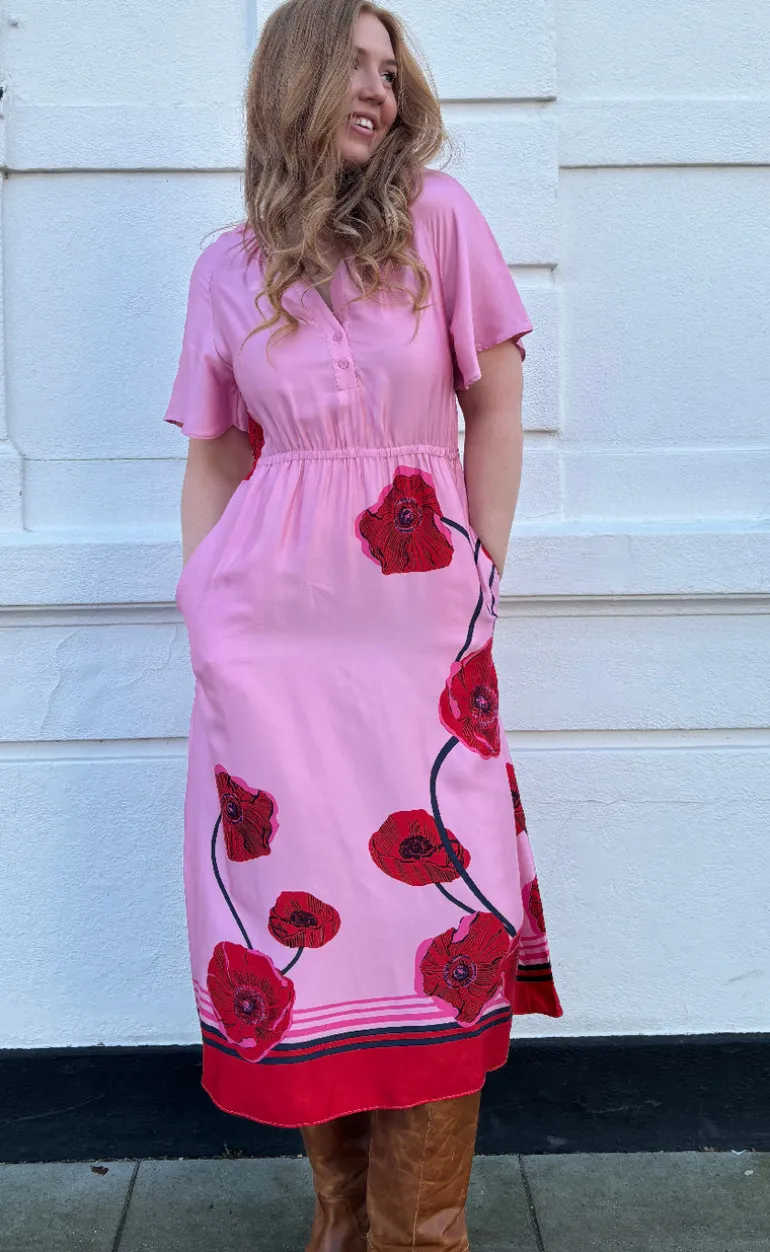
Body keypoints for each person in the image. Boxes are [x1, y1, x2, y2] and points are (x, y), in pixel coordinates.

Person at [163, 1, 563, 1247]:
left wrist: (480, 569)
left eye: (390, 70)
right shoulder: (226, 270)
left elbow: (496, 403)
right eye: (350, 63)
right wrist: (204, 612)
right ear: (289, 81)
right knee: (307, 921)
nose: (378, 89)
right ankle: (340, 1224)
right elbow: (214, 457)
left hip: (415, 631)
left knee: (432, 910)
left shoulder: (438, 222)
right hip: (266, 649)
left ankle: (418, 1235)